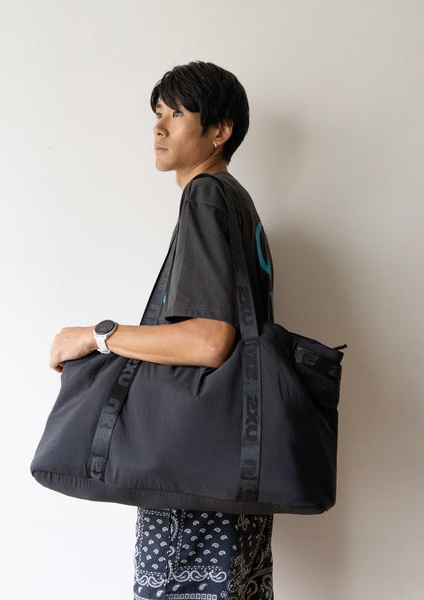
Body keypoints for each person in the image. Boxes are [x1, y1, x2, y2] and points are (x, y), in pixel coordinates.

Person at [49, 61, 275, 600]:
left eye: (176, 114)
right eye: (158, 113)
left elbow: (209, 341)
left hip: (191, 470)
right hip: (228, 471)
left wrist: (97, 335)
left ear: (219, 131)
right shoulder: (237, 200)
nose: (158, 126)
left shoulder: (206, 195)